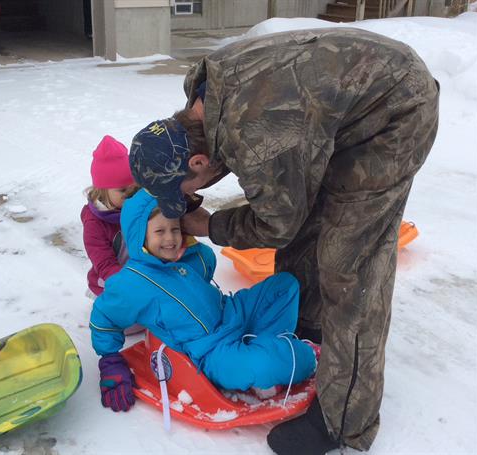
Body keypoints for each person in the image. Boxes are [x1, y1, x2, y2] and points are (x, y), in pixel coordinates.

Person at [128, 28, 439, 454]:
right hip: (347, 101)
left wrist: (211, 226)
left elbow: (276, 224)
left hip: (396, 111)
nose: (186, 201)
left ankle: (343, 421)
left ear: (198, 161)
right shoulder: (202, 100)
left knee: (351, 265)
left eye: (184, 190)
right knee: (307, 217)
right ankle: (311, 324)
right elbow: (290, 200)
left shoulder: (256, 136)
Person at [89, 189, 317, 412]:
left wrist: (188, 243)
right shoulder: (132, 282)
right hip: (211, 350)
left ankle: (263, 345)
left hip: (231, 312)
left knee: (284, 286)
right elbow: (104, 316)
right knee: (268, 365)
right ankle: (278, 358)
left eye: (175, 229)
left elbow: (207, 260)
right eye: (160, 231)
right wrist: (110, 360)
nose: (170, 238)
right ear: (139, 236)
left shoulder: (183, 260)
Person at [81, 135, 137, 298]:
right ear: (102, 191)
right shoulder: (94, 224)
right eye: (122, 190)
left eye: (134, 188)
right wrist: (127, 284)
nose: (130, 194)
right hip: (110, 283)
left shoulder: (135, 207)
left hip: (140, 276)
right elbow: (104, 263)